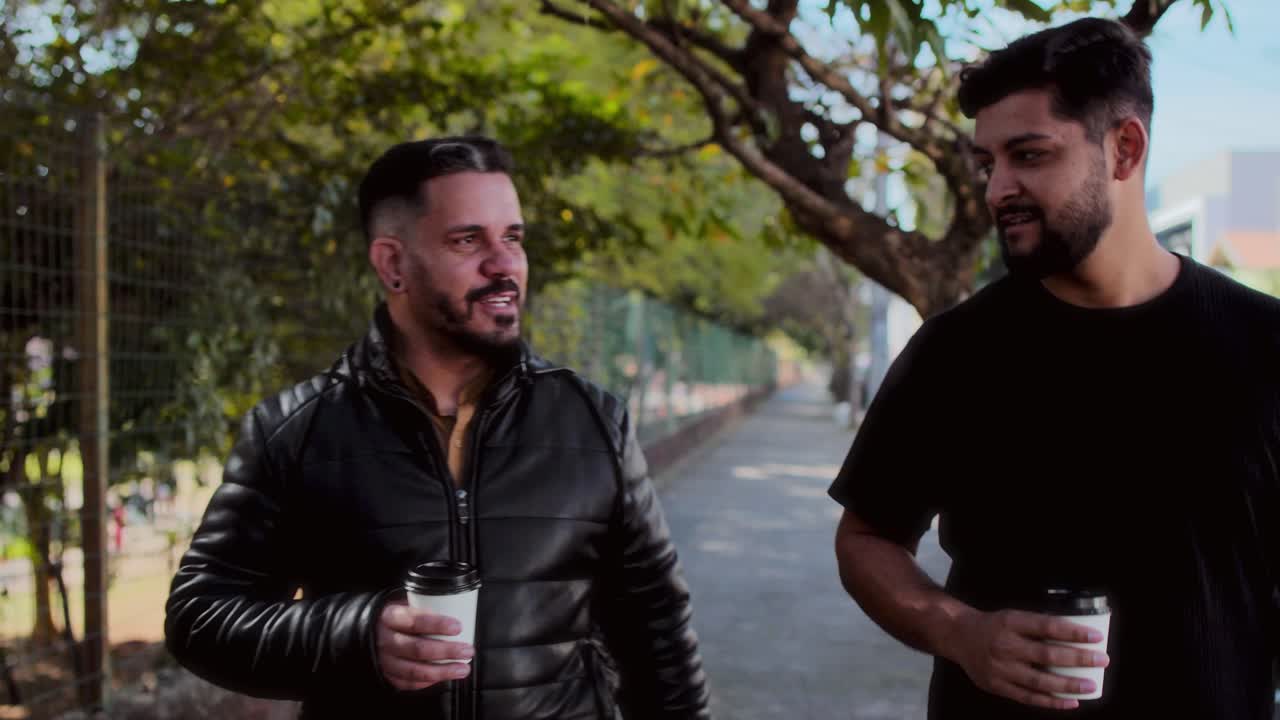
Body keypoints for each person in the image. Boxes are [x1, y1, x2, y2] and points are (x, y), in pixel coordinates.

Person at [165, 137, 711, 719]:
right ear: (393, 264)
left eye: (514, 238)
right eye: (468, 240)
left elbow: (657, 629)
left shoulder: (593, 421)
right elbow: (201, 617)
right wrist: (354, 633)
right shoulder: (296, 431)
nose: (504, 265)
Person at [830, 17, 1280, 720]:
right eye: (988, 164)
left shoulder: (1265, 344)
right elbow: (866, 539)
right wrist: (962, 633)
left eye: (1029, 156)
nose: (997, 188)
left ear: (1125, 148)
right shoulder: (958, 351)